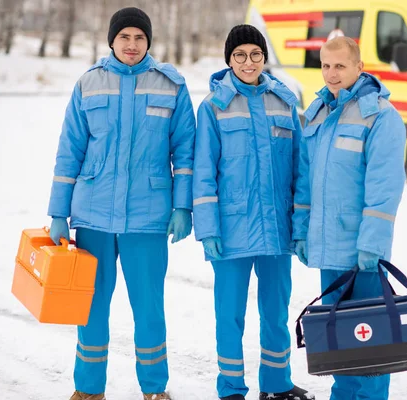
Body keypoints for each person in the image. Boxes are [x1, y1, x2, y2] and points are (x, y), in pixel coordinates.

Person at [47, 7, 195, 400]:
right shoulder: (89, 84)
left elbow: (186, 153)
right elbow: (69, 152)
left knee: (149, 309)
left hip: (148, 218)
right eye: (125, 37)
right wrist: (58, 212)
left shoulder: (171, 85)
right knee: (91, 309)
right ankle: (89, 389)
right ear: (112, 40)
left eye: (140, 38)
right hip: (93, 215)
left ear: (149, 42)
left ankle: (154, 389)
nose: (132, 45)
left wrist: (183, 206)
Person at [192, 24, 314, 400]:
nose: (249, 62)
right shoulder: (213, 106)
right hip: (231, 229)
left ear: (265, 58)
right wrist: (208, 228)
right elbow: (203, 173)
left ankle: (276, 385)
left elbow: (301, 169)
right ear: (229, 59)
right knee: (229, 315)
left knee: (276, 311)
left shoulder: (285, 101)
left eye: (256, 54)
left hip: (276, 229)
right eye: (240, 55)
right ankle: (230, 389)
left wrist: (300, 224)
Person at [292, 36, 406, 400]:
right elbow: (306, 181)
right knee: (340, 342)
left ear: (359, 67)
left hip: (363, 253)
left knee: (371, 346)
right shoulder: (318, 114)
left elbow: (384, 187)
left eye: (340, 66)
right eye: (325, 65)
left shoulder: (381, 116)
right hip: (329, 250)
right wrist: (301, 232)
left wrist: (372, 243)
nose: (331, 73)